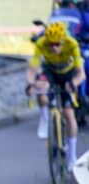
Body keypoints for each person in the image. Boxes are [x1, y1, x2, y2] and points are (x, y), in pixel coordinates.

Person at [26, 21, 86, 171]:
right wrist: (30, 84)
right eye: (50, 44)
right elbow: (32, 69)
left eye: (57, 44)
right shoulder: (41, 43)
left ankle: (72, 157)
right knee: (41, 88)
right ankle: (45, 119)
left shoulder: (72, 44)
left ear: (63, 41)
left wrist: (73, 83)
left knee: (69, 114)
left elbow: (81, 74)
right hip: (50, 71)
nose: (53, 47)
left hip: (68, 73)